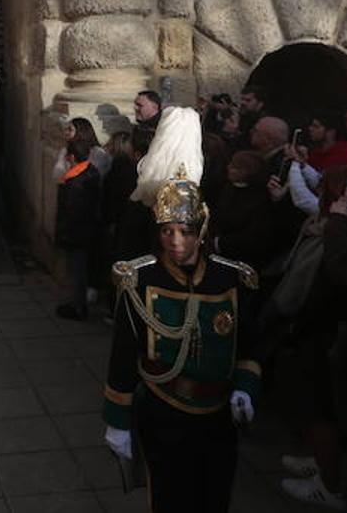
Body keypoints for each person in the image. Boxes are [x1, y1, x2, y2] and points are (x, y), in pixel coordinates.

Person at [102, 108, 261, 513]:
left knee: (215, 495)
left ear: (201, 233)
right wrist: (117, 416)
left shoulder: (231, 280)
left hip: (217, 412)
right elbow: (125, 350)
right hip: (164, 408)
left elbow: (247, 343)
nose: (176, 242)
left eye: (186, 233)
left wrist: (246, 386)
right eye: (168, 232)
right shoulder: (140, 280)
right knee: (171, 497)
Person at [54, 137, 101, 321]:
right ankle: (76, 303)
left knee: (77, 273)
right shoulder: (92, 172)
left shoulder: (74, 183)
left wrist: (63, 236)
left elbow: (71, 214)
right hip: (88, 231)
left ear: (71, 157)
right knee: (80, 271)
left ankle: (78, 307)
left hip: (76, 234)